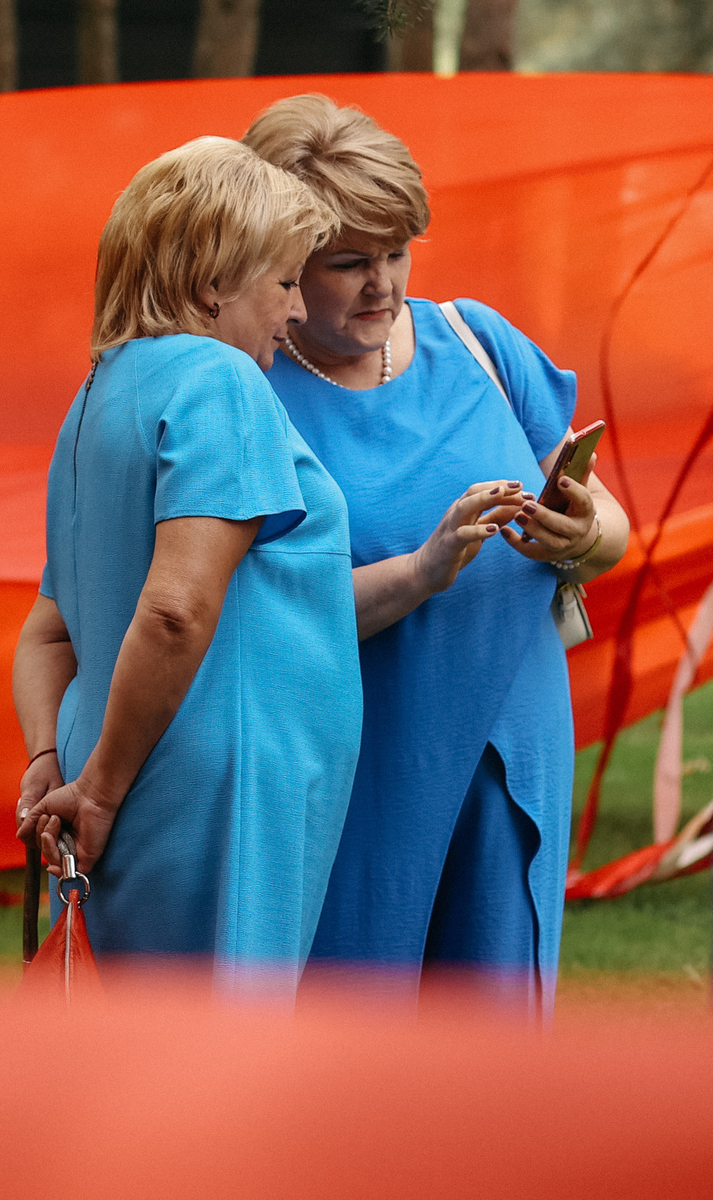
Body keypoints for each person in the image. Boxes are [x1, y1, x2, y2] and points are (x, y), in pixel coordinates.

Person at [244, 95, 629, 1011]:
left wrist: (583, 533)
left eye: (397, 252)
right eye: (349, 263)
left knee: (494, 1042)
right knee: (353, 1036)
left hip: (513, 742)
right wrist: (424, 569)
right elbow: (256, 616)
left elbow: (608, 523)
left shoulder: (476, 338)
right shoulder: (248, 387)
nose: (384, 283)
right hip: (360, 757)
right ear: (281, 260)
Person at [13, 137, 357, 988]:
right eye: (282, 282)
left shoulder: (96, 392)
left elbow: (48, 635)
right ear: (213, 282)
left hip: (120, 761)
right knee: (214, 1072)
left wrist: (52, 763)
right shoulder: (221, 381)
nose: (295, 311)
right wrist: (96, 790)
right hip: (216, 790)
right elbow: (176, 608)